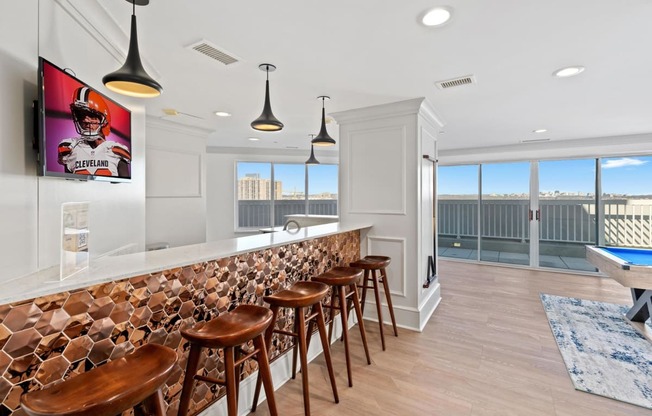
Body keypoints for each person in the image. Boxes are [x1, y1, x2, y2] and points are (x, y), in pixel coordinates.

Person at [58, 86, 131, 177]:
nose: (86, 120)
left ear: (104, 120)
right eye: (81, 115)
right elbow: (67, 184)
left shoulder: (116, 149)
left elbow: (124, 187)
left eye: (92, 115)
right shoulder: (70, 148)